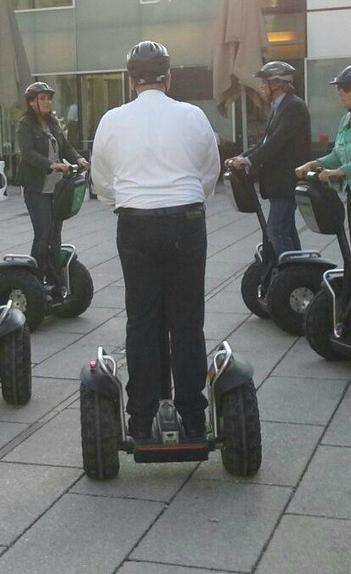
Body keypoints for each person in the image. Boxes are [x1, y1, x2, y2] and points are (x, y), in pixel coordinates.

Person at [91, 41, 220, 440]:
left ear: (130, 80)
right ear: (169, 77)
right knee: (186, 320)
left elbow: (101, 182)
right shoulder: (193, 114)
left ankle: (142, 418)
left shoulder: (111, 119)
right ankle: (194, 418)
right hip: (185, 218)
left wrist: (127, 200)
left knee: (142, 319)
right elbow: (209, 174)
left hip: (135, 222)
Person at [295, 65, 351, 299]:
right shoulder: (347, 119)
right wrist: (312, 164)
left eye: (346, 88)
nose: (340, 93)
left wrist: (337, 172)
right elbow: (337, 153)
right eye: (339, 89)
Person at [226, 61, 311, 255]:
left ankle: (291, 277)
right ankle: (298, 272)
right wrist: (240, 157)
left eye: (265, 84)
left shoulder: (294, 107)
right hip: (277, 184)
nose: (262, 88)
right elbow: (265, 142)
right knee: (286, 230)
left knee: (276, 230)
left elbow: (277, 142)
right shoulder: (278, 107)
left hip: (286, 182)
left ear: (278, 84)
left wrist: (248, 161)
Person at [16, 81, 88, 297]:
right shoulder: (25, 124)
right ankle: (34, 279)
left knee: (55, 232)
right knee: (43, 231)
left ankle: (54, 276)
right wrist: (51, 165)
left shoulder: (53, 123)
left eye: (49, 98)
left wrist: (79, 158)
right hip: (36, 187)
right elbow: (28, 153)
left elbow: (65, 147)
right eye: (42, 98)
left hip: (56, 186)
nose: (47, 102)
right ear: (32, 102)